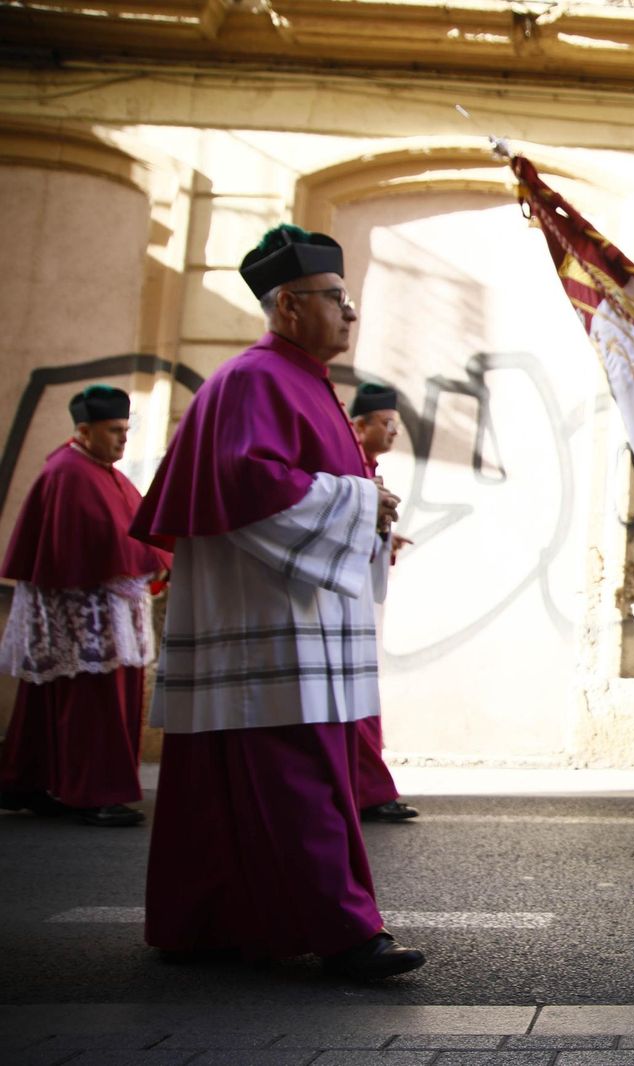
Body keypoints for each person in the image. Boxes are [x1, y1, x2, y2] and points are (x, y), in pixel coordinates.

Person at [130, 224, 424, 980]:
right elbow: (251, 482)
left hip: (281, 612)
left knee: (231, 782)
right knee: (300, 778)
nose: (350, 312)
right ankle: (345, 932)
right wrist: (362, 502)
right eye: (335, 298)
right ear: (289, 305)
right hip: (269, 619)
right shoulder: (256, 379)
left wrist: (367, 508)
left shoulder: (299, 379)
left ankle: (207, 924)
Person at [0, 386, 171, 827]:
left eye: (126, 430)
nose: (123, 439)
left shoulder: (102, 471)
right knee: (89, 702)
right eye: (114, 430)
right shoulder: (68, 472)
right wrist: (144, 561)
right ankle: (92, 793)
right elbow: (90, 547)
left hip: (105, 609)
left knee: (62, 697)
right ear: (83, 430)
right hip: (83, 615)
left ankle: (34, 783)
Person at [347, 382, 418, 824]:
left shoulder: (367, 467)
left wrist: (384, 539)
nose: (393, 432)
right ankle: (369, 791)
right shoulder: (352, 467)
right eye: (386, 423)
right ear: (359, 426)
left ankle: (370, 789)